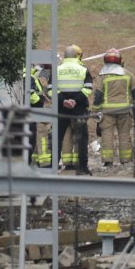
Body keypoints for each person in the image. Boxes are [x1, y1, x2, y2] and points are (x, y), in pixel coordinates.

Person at [56, 45, 93, 175]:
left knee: (57, 137)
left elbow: (50, 88)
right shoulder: (83, 69)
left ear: (65, 56)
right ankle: (82, 168)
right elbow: (88, 87)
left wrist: (64, 101)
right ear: (76, 56)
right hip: (79, 107)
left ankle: (53, 167)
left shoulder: (57, 69)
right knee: (82, 137)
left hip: (61, 107)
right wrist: (76, 101)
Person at [95, 49, 134, 166]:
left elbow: (98, 95)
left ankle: (108, 161)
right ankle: (126, 160)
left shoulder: (102, 75)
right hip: (125, 110)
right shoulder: (128, 74)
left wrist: (95, 110)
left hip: (107, 111)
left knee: (106, 134)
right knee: (124, 134)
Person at [28, 64, 53, 168]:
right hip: (37, 110)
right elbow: (32, 95)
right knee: (42, 133)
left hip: (36, 111)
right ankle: (44, 162)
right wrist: (41, 101)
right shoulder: (30, 76)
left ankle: (35, 161)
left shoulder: (33, 76)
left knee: (36, 136)